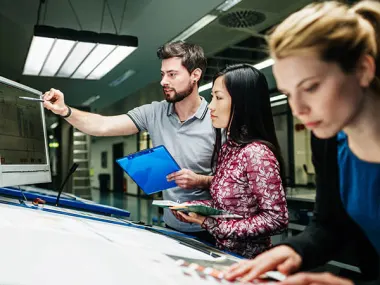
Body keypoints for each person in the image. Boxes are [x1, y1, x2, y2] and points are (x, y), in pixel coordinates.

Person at [225, 1, 380, 284]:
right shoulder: (329, 140)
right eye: (288, 93)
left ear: (362, 69)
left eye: (310, 87)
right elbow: (329, 225)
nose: (298, 109)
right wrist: (293, 250)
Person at [43, 41, 217, 242]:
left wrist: (201, 180)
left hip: (209, 230)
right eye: (162, 74)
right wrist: (66, 111)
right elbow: (102, 126)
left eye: (172, 74)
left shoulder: (217, 119)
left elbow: (240, 184)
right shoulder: (154, 112)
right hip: (171, 226)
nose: (163, 81)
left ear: (195, 75)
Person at [169, 64, 288, 258]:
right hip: (223, 254)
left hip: (248, 263)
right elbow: (232, 205)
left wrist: (208, 223)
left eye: (218, 97)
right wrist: (193, 207)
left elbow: (276, 219)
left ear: (242, 103)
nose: (210, 105)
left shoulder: (257, 153)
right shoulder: (229, 148)